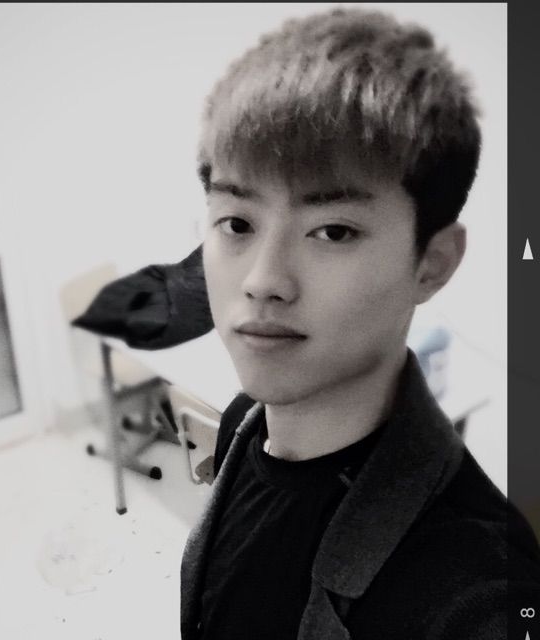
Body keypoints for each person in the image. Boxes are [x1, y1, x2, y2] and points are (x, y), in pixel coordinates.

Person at [180, 7, 540, 640]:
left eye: (334, 231)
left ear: (432, 263)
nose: (263, 279)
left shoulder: (473, 577)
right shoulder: (243, 420)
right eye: (237, 222)